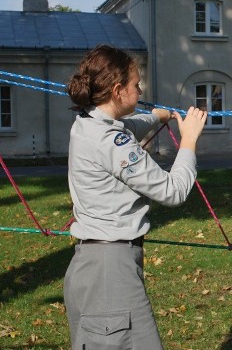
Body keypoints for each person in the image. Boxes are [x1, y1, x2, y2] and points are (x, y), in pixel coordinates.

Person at [63, 45, 208, 349]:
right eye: (136, 84)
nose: (140, 89)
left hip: (91, 268)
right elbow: (173, 190)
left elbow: (126, 125)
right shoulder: (113, 143)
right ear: (117, 90)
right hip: (110, 275)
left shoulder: (88, 123)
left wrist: (156, 116)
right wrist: (189, 141)